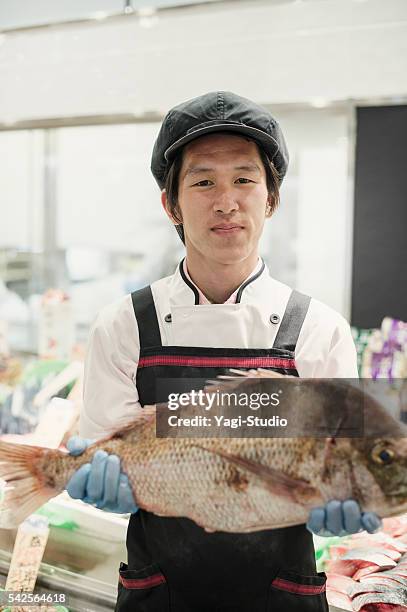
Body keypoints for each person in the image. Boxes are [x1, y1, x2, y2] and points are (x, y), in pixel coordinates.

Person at [66, 91, 381, 612]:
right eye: (204, 181)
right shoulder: (123, 326)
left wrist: (351, 497)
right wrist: (103, 476)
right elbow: (109, 447)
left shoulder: (318, 330)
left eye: (244, 179)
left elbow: (342, 460)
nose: (226, 202)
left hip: (282, 594)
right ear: (171, 203)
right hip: (159, 591)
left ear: (271, 198)